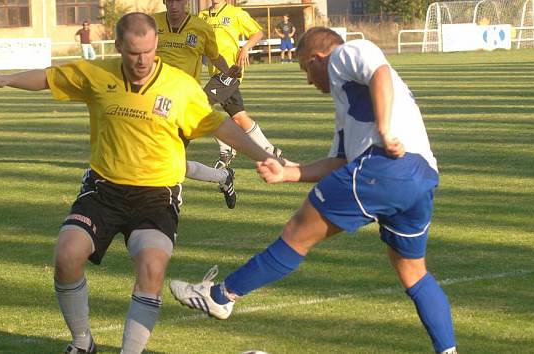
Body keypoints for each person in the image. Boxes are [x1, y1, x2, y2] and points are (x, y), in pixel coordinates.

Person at [0, 13, 278, 354]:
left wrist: (261, 154)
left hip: (157, 195)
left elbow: (220, 126)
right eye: (133, 53)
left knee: (151, 266)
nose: (142, 60)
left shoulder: (180, 87)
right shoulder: (96, 74)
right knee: (66, 255)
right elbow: (48, 77)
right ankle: (83, 343)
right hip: (103, 189)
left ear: (156, 44)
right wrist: (4, 79)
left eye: (147, 51)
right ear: (118, 47)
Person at [170, 27, 458, 354]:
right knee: (414, 273)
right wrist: (288, 173)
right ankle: (448, 351)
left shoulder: (344, 54)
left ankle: (219, 296)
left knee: (297, 234)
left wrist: (384, 128)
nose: (309, 80)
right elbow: (340, 162)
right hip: (421, 177)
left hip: (384, 166)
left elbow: (378, 71)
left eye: (305, 69)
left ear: (317, 59)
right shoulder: (348, 107)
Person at [154, 0, 243, 209]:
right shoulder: (152, 23)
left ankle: (173, 199)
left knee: (170, 157)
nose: (174, 6)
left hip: (185, 105)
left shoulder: (201, 28)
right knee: (166, 161)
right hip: (155, 101)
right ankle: (223, 176)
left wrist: (228, 71)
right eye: (170, 1)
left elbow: (214, 56)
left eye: (179, 1)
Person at [199, 0, 282, 169]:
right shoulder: (202, 16)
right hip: (215, 72)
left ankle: (226, 148)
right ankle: (269, 149)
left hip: (232, 70)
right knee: (238, 116)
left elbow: (258, 33)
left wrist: (245, 49)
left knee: (201, 105)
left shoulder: (235, 13)